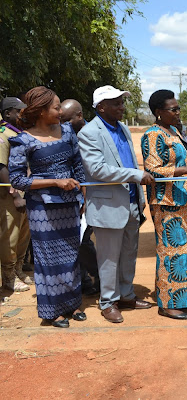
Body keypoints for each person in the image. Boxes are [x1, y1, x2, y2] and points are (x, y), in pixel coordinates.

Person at [8, 87, 85, 328]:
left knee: (71, 255)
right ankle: (52, 311)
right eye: (56, 107)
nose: (61, 112)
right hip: (42, 209)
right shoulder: (23, 140)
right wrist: (55, 181)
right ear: (41, 111)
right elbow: (17, 180)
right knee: (48, 259)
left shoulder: (68, 131)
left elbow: (78, 166)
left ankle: (72, 304)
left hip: (70, 203)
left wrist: (82, 197)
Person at [78, 85, 154, 324]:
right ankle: (108, 302)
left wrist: (139, 196)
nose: (122, 107)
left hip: (131, 201)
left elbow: (128, 160)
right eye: (116, 103)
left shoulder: (123, 128)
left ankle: (126, 295)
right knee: (109, 258)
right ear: (101, 107)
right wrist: (135, 175)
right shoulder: (89, 132)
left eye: (122, 102)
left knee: (129, 254)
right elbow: (97, 169)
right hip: (107, 206)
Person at [143, 90, 187, 319]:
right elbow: (153, 169)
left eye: (178, 108)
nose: (178, 112)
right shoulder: (152, 135)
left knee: (186, 249)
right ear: (158, 112)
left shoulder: (175, 131)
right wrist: (185, 170)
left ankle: (185, 297)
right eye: (173, 109)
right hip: (165, 202)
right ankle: (167, 303)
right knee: (170, 251)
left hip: (183, 199)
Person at [60, 98, 100, 296]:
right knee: (73, 241)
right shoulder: (62, 135)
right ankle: (83, 281)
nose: (64, 124)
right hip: (70, 196)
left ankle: (99, 275)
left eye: (67, 120)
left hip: (91, 196)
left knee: (84, 241)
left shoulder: (93, 134)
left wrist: (84, 198)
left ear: (79, 116)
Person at [0, 97, 32, 292]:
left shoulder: (19, 133)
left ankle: (19, 269)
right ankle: (8, 276)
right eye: (19, 111)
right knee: (10, 235)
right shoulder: (3, 135)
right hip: (10, 195)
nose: (23, 114)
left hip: (25, 191)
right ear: (7, 114)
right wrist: (15, 195)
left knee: (23, 234)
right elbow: (1, 167)